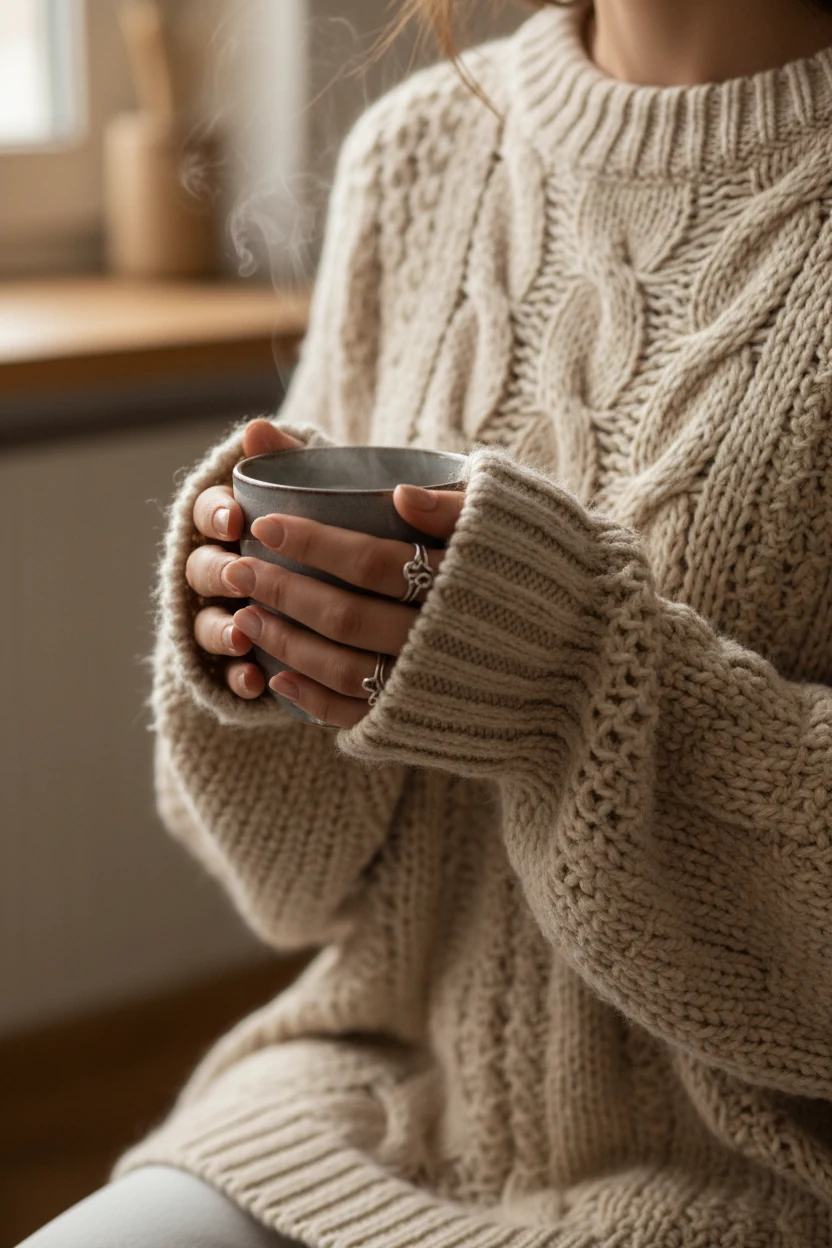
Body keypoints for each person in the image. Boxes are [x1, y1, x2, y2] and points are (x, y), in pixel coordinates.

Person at [20, 0, 832, 1244]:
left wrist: (567, 667)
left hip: (752, 1178)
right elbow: (298, 892)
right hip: (379, 1090)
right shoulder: (418, 151)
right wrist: (255, 636)